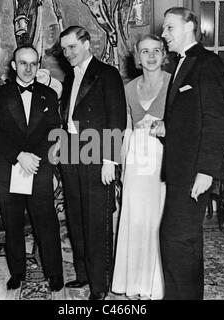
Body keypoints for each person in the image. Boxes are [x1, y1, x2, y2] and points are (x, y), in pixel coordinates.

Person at [151, 7, 224, 299]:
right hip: (180, 169)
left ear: (189, 27)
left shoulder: (206, 63)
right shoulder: (183, 64)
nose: (163, 34)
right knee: (183, 242)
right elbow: (190, 117)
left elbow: (217, 120)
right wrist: (166, 126)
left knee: (176, 241)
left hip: (193, 171)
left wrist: (207, 170)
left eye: (170, 28)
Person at [0, 44, 64, 292]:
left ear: (38, 65)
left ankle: (54, 273)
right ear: (13, 65)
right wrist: (19, 155)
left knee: (46, 221)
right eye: (23, 63)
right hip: (9, 166)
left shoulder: (49, 95)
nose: (29, 68)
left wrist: (35, 158)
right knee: (13, 224)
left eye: (33, 63)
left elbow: (54, 132)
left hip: (39, 166)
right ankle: (17, 272)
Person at [58, 26, 127, 300]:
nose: (67, 53)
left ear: (87, 44)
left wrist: (110, 160)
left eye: (72, 47)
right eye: (64, 49)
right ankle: (83, 274)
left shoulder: (106, 74)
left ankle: (99, 285)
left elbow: (116, 119)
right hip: (72, 154)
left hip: (99, 156)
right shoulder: (69, 76)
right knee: (75, 217)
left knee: (97, 221)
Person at [111, 34, 169, 300]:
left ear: (164, 53)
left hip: (162, 159)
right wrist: (121, 165)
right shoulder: (128, 88)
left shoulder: (174, 83)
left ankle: (154, 284)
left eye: (156, 50)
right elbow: (127, 129)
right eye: (145, 51)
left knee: (157, 218)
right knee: (134, 217)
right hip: (136, 159)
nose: (151, 56)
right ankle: (133, 283)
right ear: (137, 56)